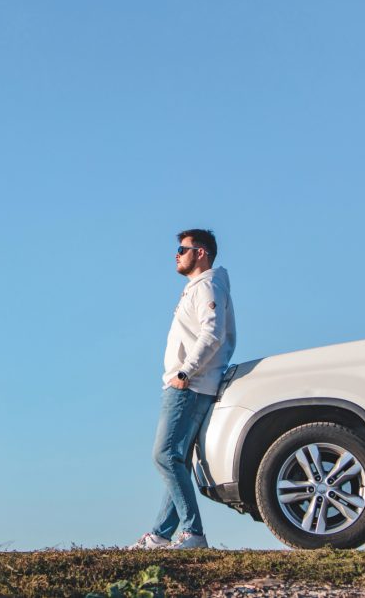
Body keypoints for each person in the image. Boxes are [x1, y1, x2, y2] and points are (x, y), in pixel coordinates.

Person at [131, 228, 237, 550]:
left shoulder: (207, 285)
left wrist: (184, 372)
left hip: (190, 385)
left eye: (182, 249)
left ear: (200, 253)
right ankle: (161, 535)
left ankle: (193, 533)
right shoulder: (199, 287)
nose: (176, 255)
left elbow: (212, 333)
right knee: (176, 459)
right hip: (190, 383)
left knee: (164, 455)